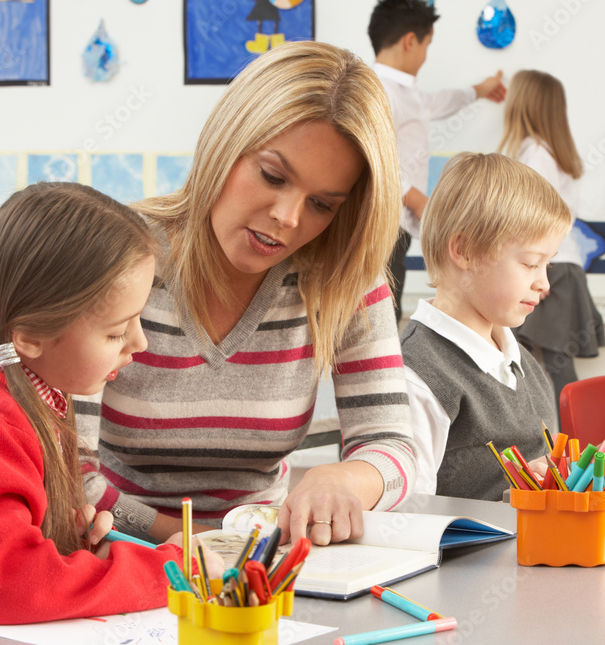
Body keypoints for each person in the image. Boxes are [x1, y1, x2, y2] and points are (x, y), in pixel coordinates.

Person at [75, 41, 416, 548]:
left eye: (322, 204)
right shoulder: (112, 255)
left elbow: (392, 449)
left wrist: (348, 478)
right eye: (273, 176)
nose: (289, 217)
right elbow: (64, 470)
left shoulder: (344, 277)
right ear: (226, 143)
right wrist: (192, 542)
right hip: (123, 555)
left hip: (261, 562)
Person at [0, 183, 219, 637]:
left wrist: (70, 544)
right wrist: (170, 573)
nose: (140, 343)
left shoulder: (28, 390)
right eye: (117, 332)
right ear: (30, 337)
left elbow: (13, 556)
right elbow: (9, 588)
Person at [401, 152, 605, 500]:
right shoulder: (416, 375)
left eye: (548, 265)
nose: (544, 284)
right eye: (530, 264)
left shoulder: (518, 358)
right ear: (464, 250)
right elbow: (408, 513)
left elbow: (543, 465)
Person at [368, 0, 506, 322]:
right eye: (427, 46)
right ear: (410, 41)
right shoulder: (377, 90)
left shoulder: (405, 91)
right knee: (379, 315)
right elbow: (373, 158)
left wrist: (480, 90)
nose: (426, 56)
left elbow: (436, 103)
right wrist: (416, 199)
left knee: (388, 307)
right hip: (383, 223)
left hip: (395, 226)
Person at [497, 69, 605, 414]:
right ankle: (573, 447)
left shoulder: (536, 156)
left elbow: (533, 222)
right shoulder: (549, 153)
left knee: (530, 360)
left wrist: (533, 273)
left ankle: (572, 449)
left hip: (549, 267)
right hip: (560, 266)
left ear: (523, 104)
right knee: (551, 363)